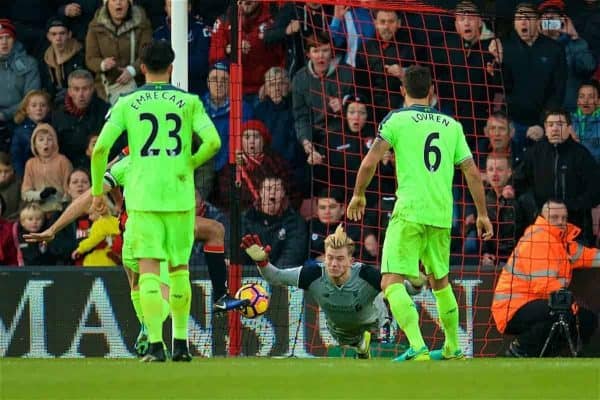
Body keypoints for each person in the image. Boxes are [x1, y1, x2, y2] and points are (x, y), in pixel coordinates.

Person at [347, 65, 493, 361]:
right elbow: (472, 172)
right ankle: (453, 346)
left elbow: (370, 161)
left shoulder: (397, 120)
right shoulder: (452, 125)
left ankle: (417, 345)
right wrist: (482, 214)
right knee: (440, 281)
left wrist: (358, 194)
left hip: (410, 211)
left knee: (390, 282)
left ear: (402, 91)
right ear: (431, 91)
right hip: (441, 214)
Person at [90, 40, 221, 362]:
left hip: (145, 199)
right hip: (179, 197)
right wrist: (188, 163)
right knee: (179, 270)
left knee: (148, 272)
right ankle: (180, 344)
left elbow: (100, 150)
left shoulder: (127, 103)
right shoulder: (189, 102)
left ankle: (155, 344)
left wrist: (96, 191)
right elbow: (214, 142)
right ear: (172, 67)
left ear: (143, 67)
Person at [241, 224, 399, 359]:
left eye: (340, 258)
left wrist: (417, 284)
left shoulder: (366, 274)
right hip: (341, 332)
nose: (334, 264)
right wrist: (262, 262)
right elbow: (276, 277)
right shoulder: (313, 274)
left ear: (351, 261)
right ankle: (361, 345)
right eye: (330, 258)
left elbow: (400, 287)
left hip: (376, 324)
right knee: (354, 345)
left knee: (384, 356)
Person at [492, 199, 599, 357]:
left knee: (587, 319)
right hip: (512, 309)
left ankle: (550, 354)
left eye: (563, 217)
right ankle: (519, 350)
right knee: (563, 313)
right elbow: (544, 284)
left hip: (541, 304)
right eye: (555, 217)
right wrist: (569, 303)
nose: (560, 222)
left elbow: (589, 256)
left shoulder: (563, 242)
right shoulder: (538, 239)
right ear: (543, 218)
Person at [512, 108, 600, 246]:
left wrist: (571, 207)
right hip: (541, 227)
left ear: (569, 128)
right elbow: (519, 185)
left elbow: (595, 192)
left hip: (576, 230)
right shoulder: (534, 154)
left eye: (559, 124)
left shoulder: (582, 155)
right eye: (550, 125)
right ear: (545, 129)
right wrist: (539, 209)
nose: (554, 129)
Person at [241, 176, 307, 268]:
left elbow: (292, 255)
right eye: (268, 189)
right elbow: (239, 251)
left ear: (283, 193)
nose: (272, 192)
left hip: (280, 277)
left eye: (277, 189)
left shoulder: (295, 221)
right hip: (249, 274)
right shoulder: (246, 218)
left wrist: (272, 274)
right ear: (260, 193)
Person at [21, 123, 73, 208]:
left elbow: (69, 191)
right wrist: (40, 195)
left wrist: (57, 196)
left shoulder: (63, 161)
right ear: (34, 144)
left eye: (49, 139)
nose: (45, 143)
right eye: (41, 140)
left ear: (55, 143)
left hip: (59, 208)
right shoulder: (30, 164)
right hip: (37, 211)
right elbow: (25, 193)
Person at [40, 17, 86, 104]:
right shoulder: (44, 59)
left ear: (69, 34)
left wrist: (70, 92)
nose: (58, 38)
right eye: (54, 34)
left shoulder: (81, 55)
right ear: (48, 37)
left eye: (62, 33)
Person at [11, 90, 52, 176]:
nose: (39, 109)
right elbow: (16, 157)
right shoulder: (20, 132)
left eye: (43, 105)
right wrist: (23, 177)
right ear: (26, 109)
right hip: (29, 174)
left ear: (48, 109)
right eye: (34, 106)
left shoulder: (52, 127)